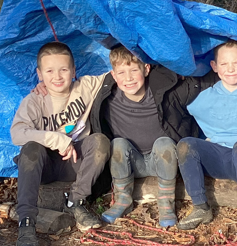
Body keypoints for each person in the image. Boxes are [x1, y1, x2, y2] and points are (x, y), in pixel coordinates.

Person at [89, 46, 216, 228]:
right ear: (113, 76)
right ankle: (123, 199)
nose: (128, 78)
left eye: (134, 70)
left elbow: (198, 83)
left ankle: (166, 202)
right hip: (132, 163)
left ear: (146, 69)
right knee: (117, 144)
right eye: (122, 73)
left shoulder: (165, 92)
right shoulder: (107, 97)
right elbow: (75, 89)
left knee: (164, 143)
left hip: (163, 162)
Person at [10, 42, 110, 246]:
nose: (57, 76)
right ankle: (26, 223)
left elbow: (120, 73)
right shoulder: (34, 100)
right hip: (44, 166)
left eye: (63, 69)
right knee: (31, 149)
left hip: (73, 163)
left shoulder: (85, 87)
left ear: (73, 71)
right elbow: (17, 133)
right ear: (39, 74)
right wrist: (58, 140)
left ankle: (75, 202)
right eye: (49, 71)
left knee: (99, 142)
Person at [176, 40, 237, 236]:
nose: (230, 69)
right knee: (186, 145)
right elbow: (176, 102)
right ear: (214, 67)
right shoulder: (203, 97)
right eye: (224, 64)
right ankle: (201, 207)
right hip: (216, 157)